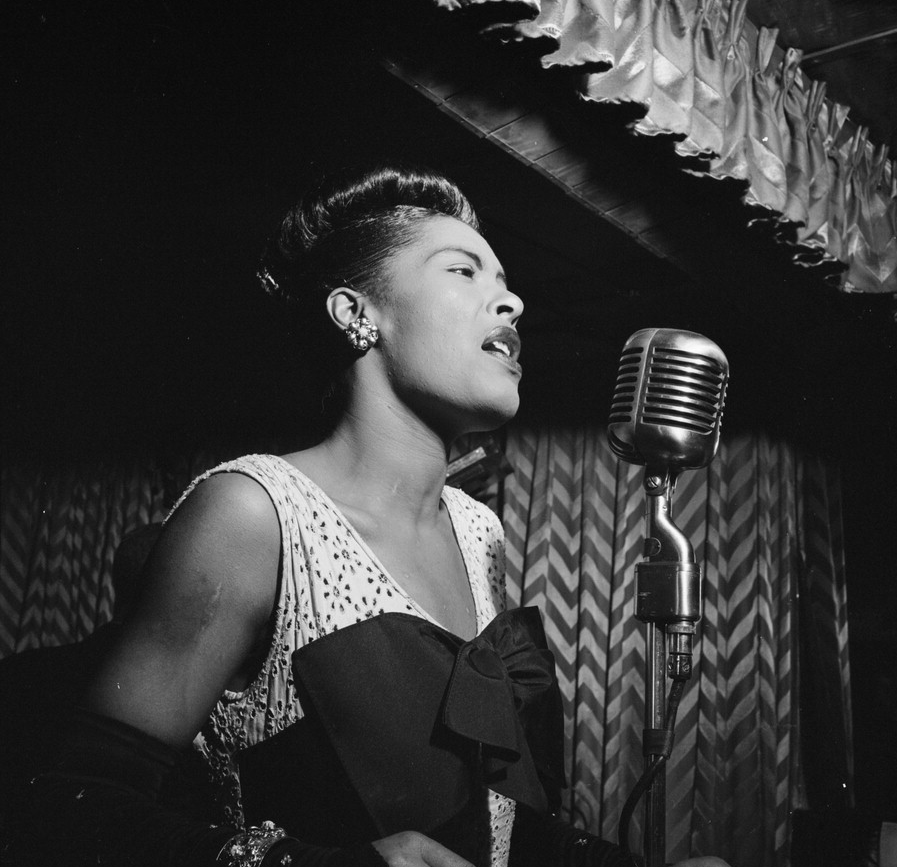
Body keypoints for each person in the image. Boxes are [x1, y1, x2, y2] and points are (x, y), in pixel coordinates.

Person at [10, 164, 729, 867]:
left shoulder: (477, 530)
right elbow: (77, 811)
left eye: (507, 285)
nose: (510, 304)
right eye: (463, 272)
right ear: (357, 314)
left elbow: (490, 821)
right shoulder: (255, 511)